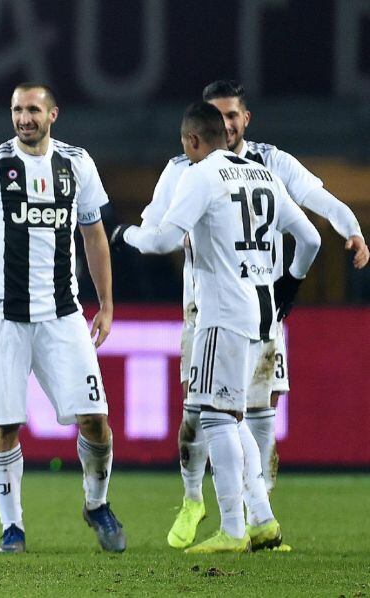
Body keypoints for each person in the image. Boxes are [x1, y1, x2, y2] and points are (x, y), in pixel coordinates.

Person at [140, 80, 366, 549]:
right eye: (217, 116)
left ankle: (252, 515)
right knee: (200, 413)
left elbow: (318, 198)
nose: (225, 124)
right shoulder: (183, 168)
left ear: (246, 119)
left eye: (232, 115)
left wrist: (353, 228)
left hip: (252, 306)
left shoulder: (269, 163)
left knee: (254, 413)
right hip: (204, 304)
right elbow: (154, 222)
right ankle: (194, 501)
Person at [112, 101, 321, 553]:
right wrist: (291, 282)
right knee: (234, 416)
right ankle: (262, 519)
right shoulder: (263, 174)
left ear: (192, 141)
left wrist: (123, 235)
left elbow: (164, 239)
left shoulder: (200, 174)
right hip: (264, 314)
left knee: (214, 417)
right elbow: (311, 238)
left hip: (222, 313)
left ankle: (231, 528)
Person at [0, 83, 124, 554]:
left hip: (63, 314)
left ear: (53, 114)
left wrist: (105, 304)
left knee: (96, 420)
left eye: (33, 109)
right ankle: (12, 529)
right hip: (1, 315)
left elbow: (95, 236)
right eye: (18, 109)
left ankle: (97, 504)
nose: (24, 117)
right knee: (4, 425)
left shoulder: (77, 164)